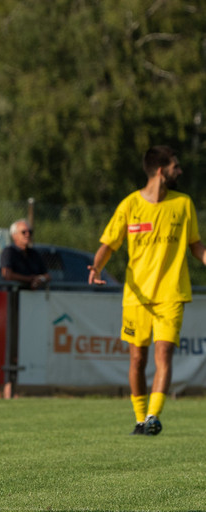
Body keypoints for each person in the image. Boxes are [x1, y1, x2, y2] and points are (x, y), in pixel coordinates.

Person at [89, 145, 206, 436]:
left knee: (163, 354)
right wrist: (97, 267)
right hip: (136, 296)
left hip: (171, 294)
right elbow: (109, 244)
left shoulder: (183, 204)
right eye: (175, 166)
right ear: (159, 170)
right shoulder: (130, 205)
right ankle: (140, 419)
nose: (179, 170)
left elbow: (195, 245)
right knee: (137, 359)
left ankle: (154, 415)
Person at [0, 219, 50, 289]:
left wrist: (40, 279)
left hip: (33, 297)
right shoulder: (9, 252)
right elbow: (7, 274)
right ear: (14, 235)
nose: (28, 234)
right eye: (24, 232)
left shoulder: (34, 254)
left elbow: (47, 276)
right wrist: (29, 279)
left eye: (30, 232)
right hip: (14, 296)